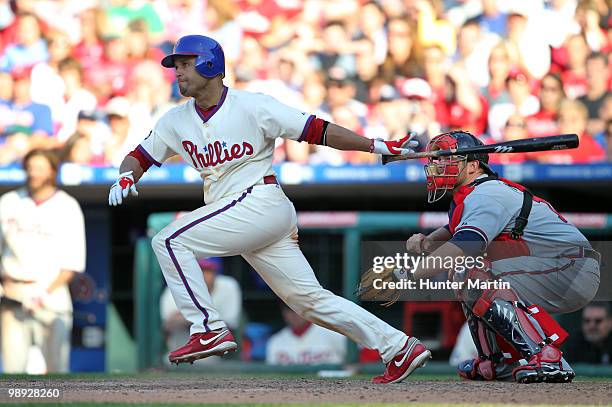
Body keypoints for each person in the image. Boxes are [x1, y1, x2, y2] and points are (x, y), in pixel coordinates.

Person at [108, 35, 430, 384]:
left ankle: (209, 328)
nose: (178, 73)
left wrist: (375, 145)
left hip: (260, 200)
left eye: (185, 64)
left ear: (210, 65)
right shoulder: (175, 120)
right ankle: (398, 347)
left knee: (168, 241)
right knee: (310, 302)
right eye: (177, 66)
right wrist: (126, 177)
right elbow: (139, 157)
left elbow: (316, 130)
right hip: (239, 214)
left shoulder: (253, 105)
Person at [403, 131, 599, 383]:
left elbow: (465, 245)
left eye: (446, 159)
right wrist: (429, 242)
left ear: (473, 166)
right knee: (465, 273)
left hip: (572, 267)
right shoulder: (473, 194)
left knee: (469, 273)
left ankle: (547, 358)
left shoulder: (486, 194)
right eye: (436, 160)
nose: (437, 165)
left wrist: (409, 273)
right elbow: (454, 232)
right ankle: (496, 362)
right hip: (555, 266)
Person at [0, 148, 86, 373]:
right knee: (12, 373)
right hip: (12, 294)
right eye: (29, 168)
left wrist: (43, 293)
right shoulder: (8, 202)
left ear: (52, 172)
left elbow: (73, 262)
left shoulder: (67, 206)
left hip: (51, 296)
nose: (33, 173)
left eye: (39, 168)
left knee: (56, 372)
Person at [160, 257, 242, 355]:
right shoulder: (177, 285)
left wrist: (189, 316)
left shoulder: (228, 286)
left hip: (216, 350)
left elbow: (229, 324)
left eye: (208, 270)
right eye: (199, 270)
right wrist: (207, 317)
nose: (204, 275)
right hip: (181, 343)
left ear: (216, 272)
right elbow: (168, 324)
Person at [266, 302, 346, 365]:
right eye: (289, 310)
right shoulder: (275, 341)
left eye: (298, 309)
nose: (294, 314)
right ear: (284, 313)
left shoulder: (333, 333)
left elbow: (355, 363)